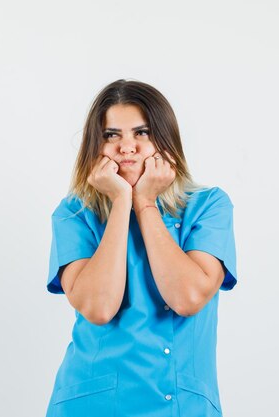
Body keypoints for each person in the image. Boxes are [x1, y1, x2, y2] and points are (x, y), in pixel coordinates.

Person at [45, 79, 238, 417]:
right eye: (111, 134)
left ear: (165, 140)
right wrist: (121, 201)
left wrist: (145, 202)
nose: (126, 146)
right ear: (96, 145)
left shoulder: (208, 206)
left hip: (181, 405)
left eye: (142, 132)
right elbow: (99, 307)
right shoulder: (74, 214)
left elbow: (187, 297)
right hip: (91, 406)